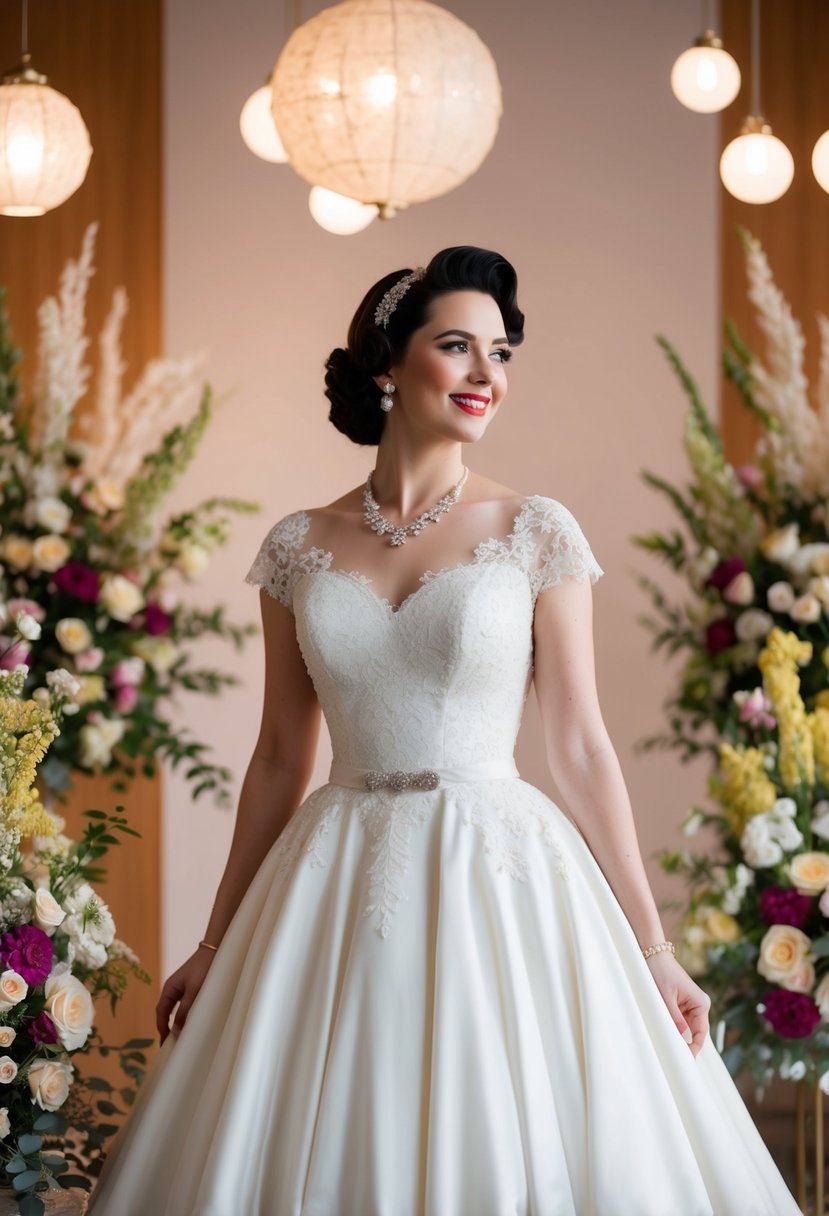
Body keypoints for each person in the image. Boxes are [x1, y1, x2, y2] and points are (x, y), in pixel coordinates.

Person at [88, 247, 802, 1215]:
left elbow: (582, 744)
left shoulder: (534, 529)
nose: (485, 375)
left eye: (499, 352)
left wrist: (652, 947)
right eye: (456, 345)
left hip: (499, 865)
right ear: (388, 364)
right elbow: (276, 757)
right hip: (333, 874)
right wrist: (217, 940)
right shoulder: (298, 544)